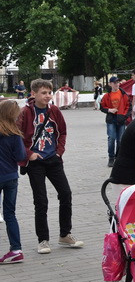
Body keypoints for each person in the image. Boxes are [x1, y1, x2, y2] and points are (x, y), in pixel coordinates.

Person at [18, 79, 83, 254]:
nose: (47, 96)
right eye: (43, 93)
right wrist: (28, 154)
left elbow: (62, 132)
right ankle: (43, 240)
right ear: (33, 94)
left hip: (53, 160)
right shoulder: (25, 113)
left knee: (66, 194)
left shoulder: (54, 111)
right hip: (35, 163)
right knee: (41, 201)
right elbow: (17, 137)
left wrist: (59, 151)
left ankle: (65, 234)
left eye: (49, 93)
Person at [0, 101, 27, 263]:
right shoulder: (15, 134)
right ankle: (16, 249)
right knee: (10, 214)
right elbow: (21, 156)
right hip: (10, 177)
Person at [100, 77, 131, 167]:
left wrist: (124, 116)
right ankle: (111, 158)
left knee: (120, 140)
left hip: (121, 119)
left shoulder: (123, 94)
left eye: (117, 82)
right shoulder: (107, 96)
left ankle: (119, 158)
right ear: (110, 84)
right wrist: (109, 110)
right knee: (111, 139)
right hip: (111, 119)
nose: (117, 84)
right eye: (114, 83)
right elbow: (102, 107)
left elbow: (128, 106)